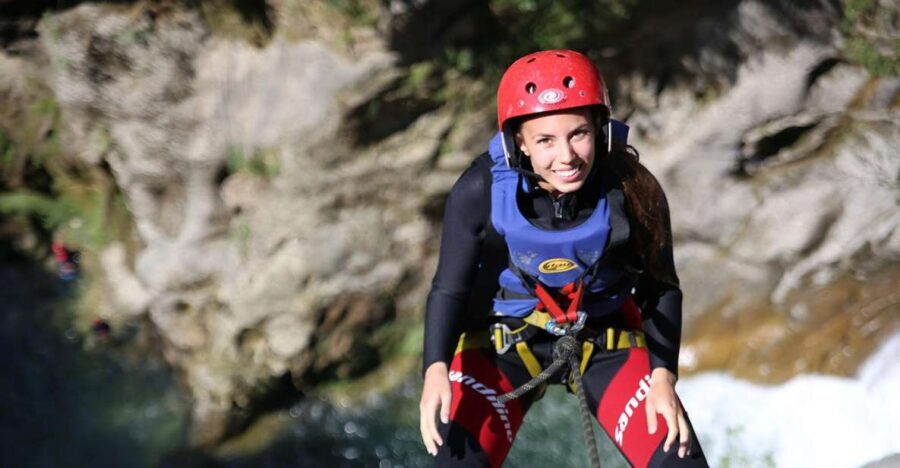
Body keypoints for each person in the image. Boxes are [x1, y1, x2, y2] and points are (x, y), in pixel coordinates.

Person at [419, 50, 709, 467]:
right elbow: (449, 288)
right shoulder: (478, 191)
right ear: (518, 142)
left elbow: (660, 287)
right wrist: (435, 369)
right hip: (502, 342)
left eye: (579, 134)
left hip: (603, 340)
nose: (567, 157)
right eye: (545, 141)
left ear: (601, 130)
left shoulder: (632, 189)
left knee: (680, 459)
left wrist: (663, 376)